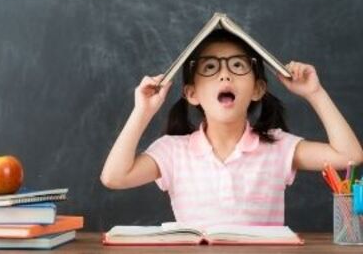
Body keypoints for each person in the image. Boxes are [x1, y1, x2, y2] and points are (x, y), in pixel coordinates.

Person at [100, 29, 363, 227]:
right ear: (192, 93)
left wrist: (314, 93)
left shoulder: (278, 147)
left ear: (258, 89)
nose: (225, 75)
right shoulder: (172, 151)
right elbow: (114, 177)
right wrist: (142, 111)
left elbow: (349, 156)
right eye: (211, 68)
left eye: (237, 66)